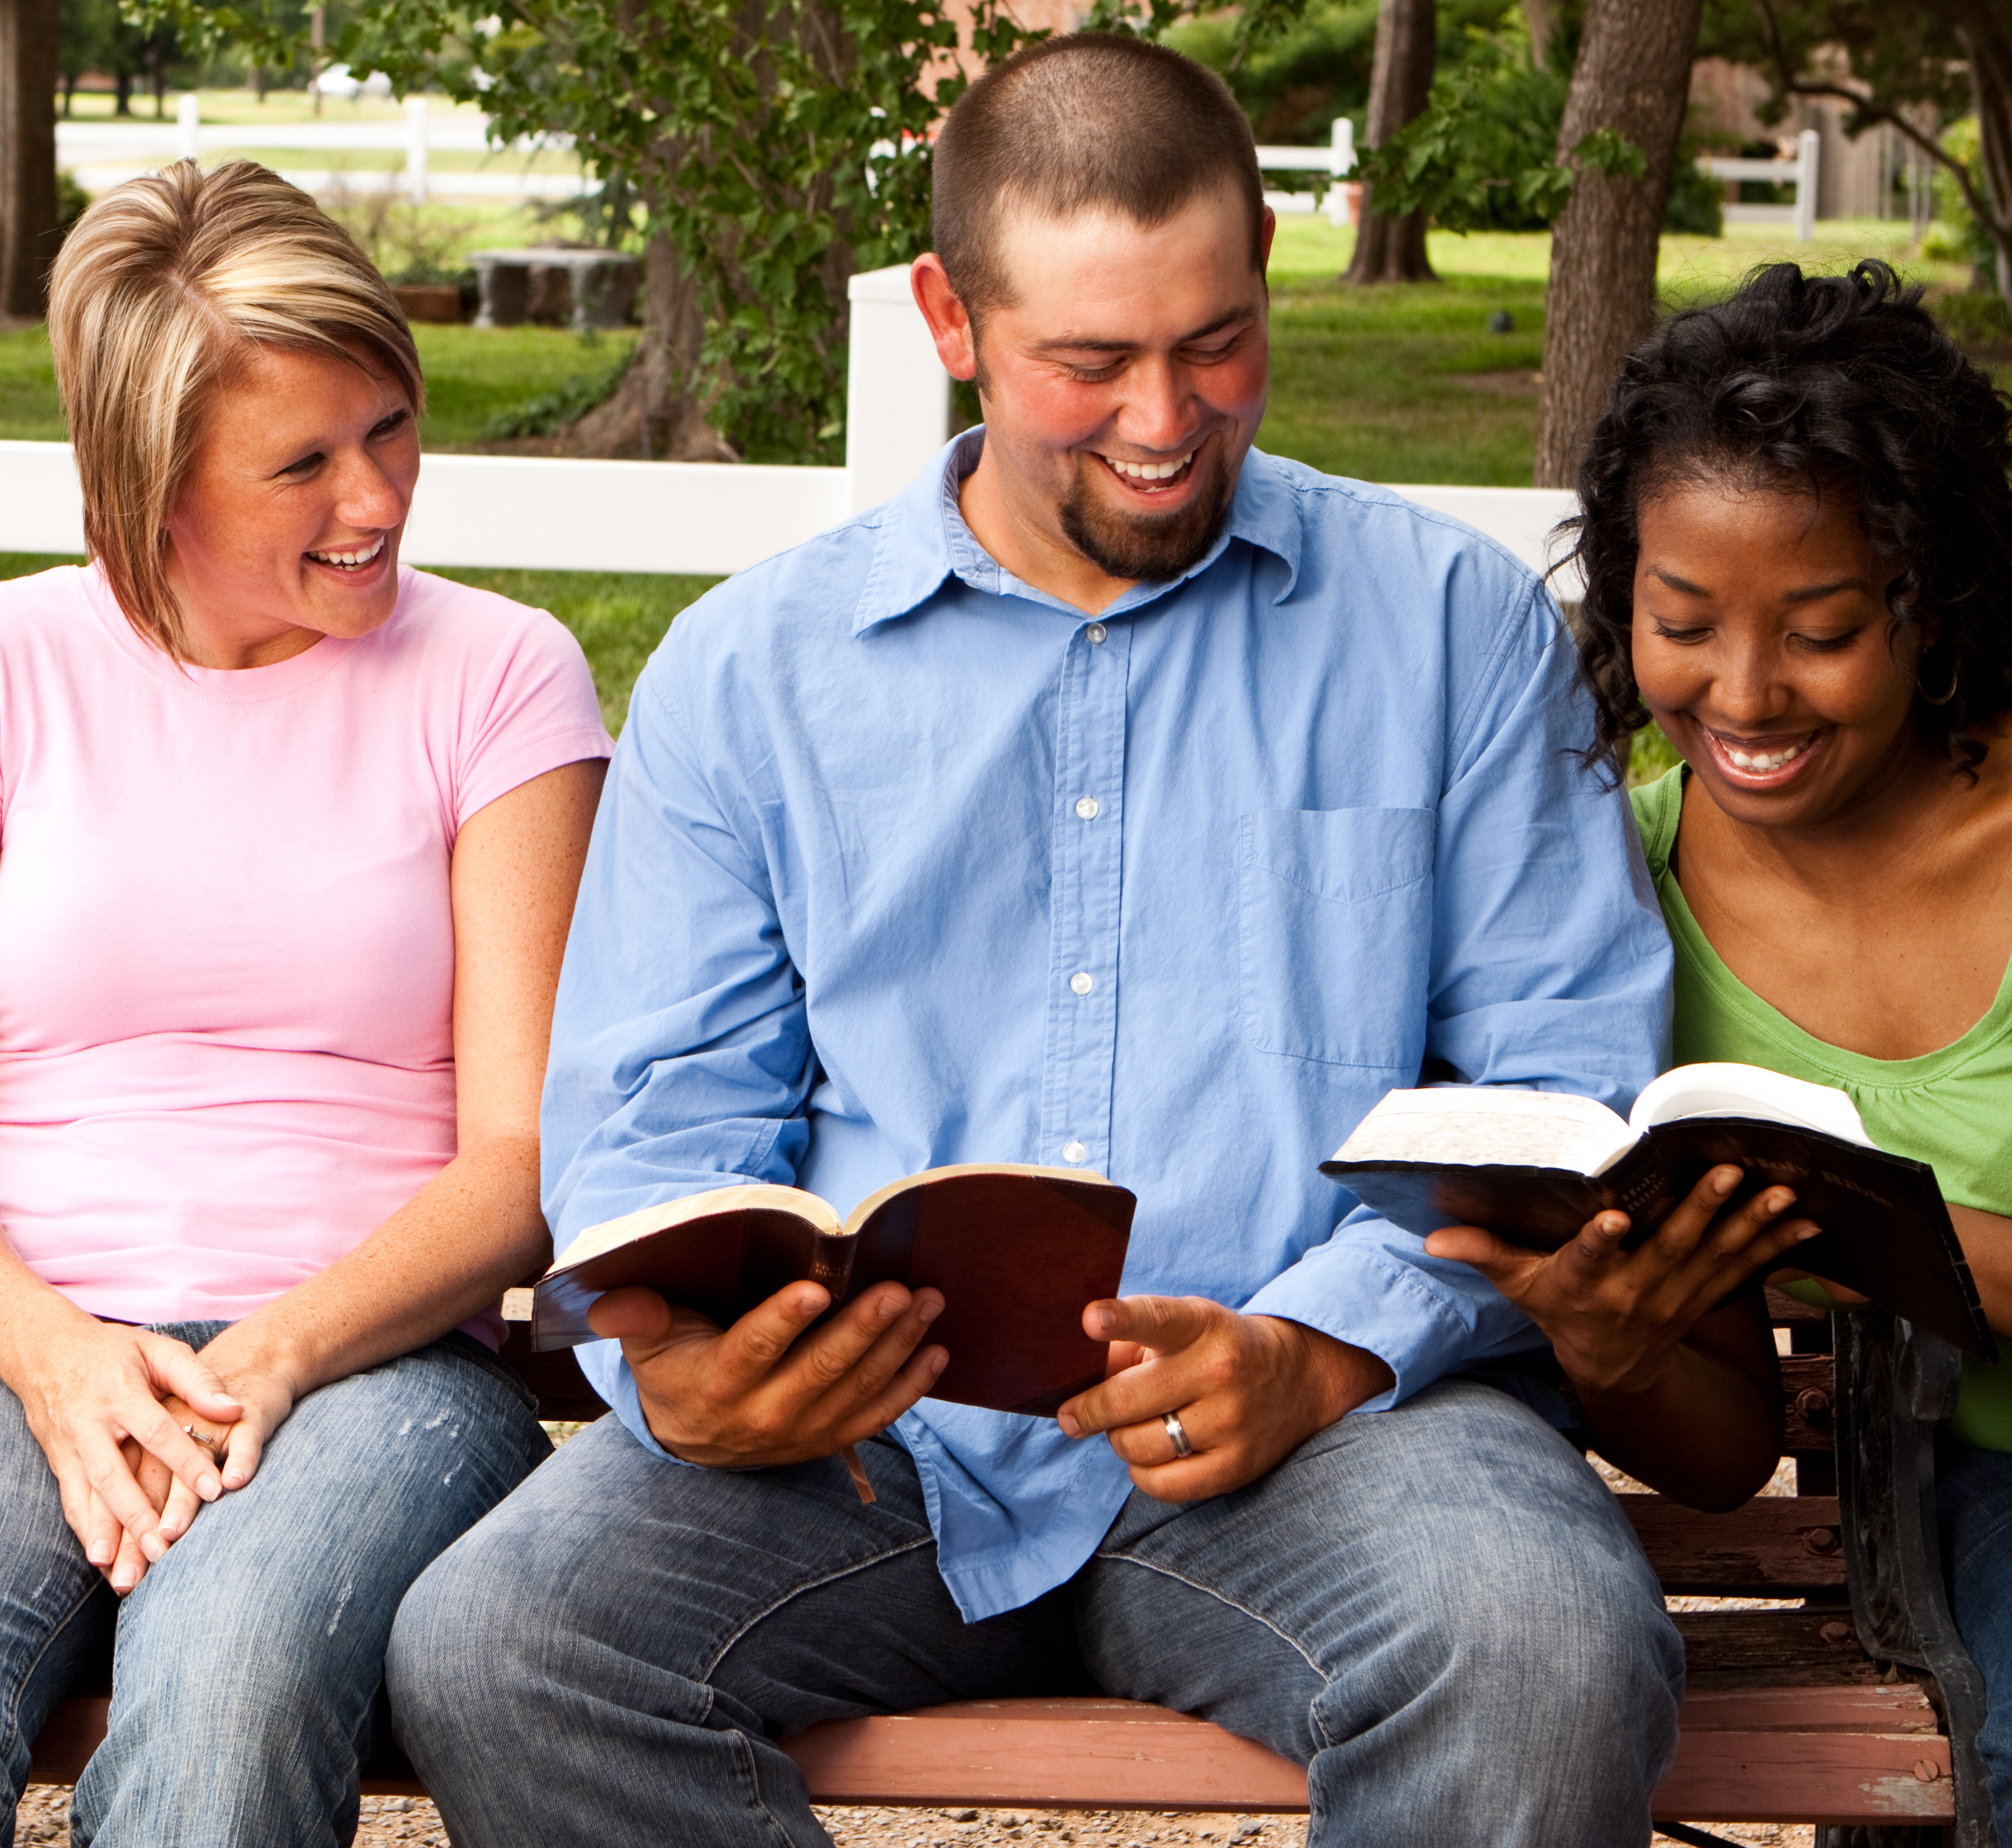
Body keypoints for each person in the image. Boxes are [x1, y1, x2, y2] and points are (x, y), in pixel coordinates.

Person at [388, 34, 1729, 1848]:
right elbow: (650, 1123)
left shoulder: (1449, 628)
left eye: (1217, 342)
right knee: (502, 1644)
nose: (1166, 422)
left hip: (1330, 1432)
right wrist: (682, 1370)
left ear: (1263, 261)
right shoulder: (751, 671)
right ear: (952, 315)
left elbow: (1561, 1091)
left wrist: (1324, 1350)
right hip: (868, 1454)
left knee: (1544, 1647)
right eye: (1088, 364)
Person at [0, 163, 613, 1848]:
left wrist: (272, 1356)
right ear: (151, 482)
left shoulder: (499, 677)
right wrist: (68, 1365)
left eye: (391, 427)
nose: (374, 496)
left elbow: (522, 1151)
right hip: (1, 1348)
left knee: (231, 1690)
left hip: (373, 1362)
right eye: (302, 461)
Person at [1506, 259, 2012, 1844]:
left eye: (1817, 633)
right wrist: (1615, 1350)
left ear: (1929, 605)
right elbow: (1732, 1456)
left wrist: (1896, 1230)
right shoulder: (1623, 902)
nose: (1740, 697)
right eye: (1681, 622)